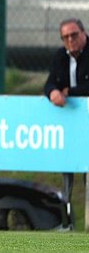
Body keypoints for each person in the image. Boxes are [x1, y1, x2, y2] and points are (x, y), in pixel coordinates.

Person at [44, 18, 89, 229]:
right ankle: (67, 222)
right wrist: (53, 91)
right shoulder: (60, 56)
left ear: (83, 33)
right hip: (70, 125)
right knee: (67, 170)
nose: (70, 40)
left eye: (74, 35)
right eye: (65, 37)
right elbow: (51, 81)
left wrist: (70, 92)